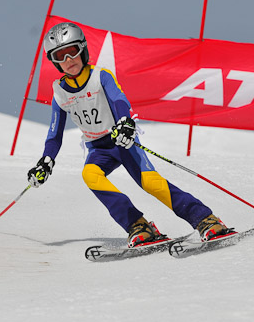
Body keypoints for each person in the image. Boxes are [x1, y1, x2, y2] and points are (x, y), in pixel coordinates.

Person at [27, 22, 231, 247]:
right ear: (54, 61)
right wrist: (46, 162)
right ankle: (138, 226)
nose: (68, 60)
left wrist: (125, 123)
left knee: (151, 183)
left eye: (72, 51)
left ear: (83, 49)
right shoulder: (60, 92)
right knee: (90, 175)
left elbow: (118, 100)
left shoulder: (100, 76)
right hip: (98, 148)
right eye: (60, 56)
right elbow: (54, 134)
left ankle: (206, 220)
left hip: (122, 141)